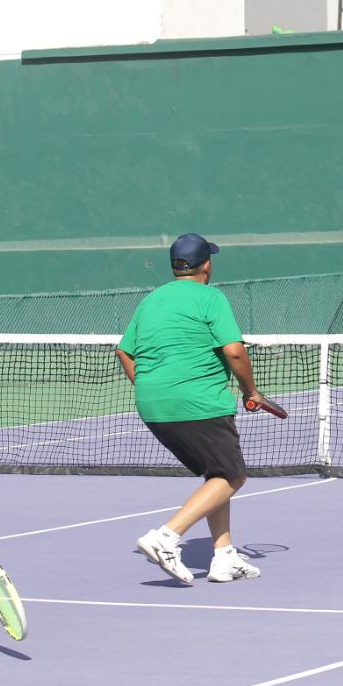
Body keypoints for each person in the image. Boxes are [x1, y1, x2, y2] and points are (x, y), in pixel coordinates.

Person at [118, 232, 264, 585]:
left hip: (153, 405)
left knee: (216, 474)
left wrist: (153, 386)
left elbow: (125, 351)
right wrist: (251, 390)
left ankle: (225, 556)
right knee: (232, 476)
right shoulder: (211, 298)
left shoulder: (152, 300)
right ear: (207, 265)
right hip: (199, 404)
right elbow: (233, 351)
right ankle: (166, 536)